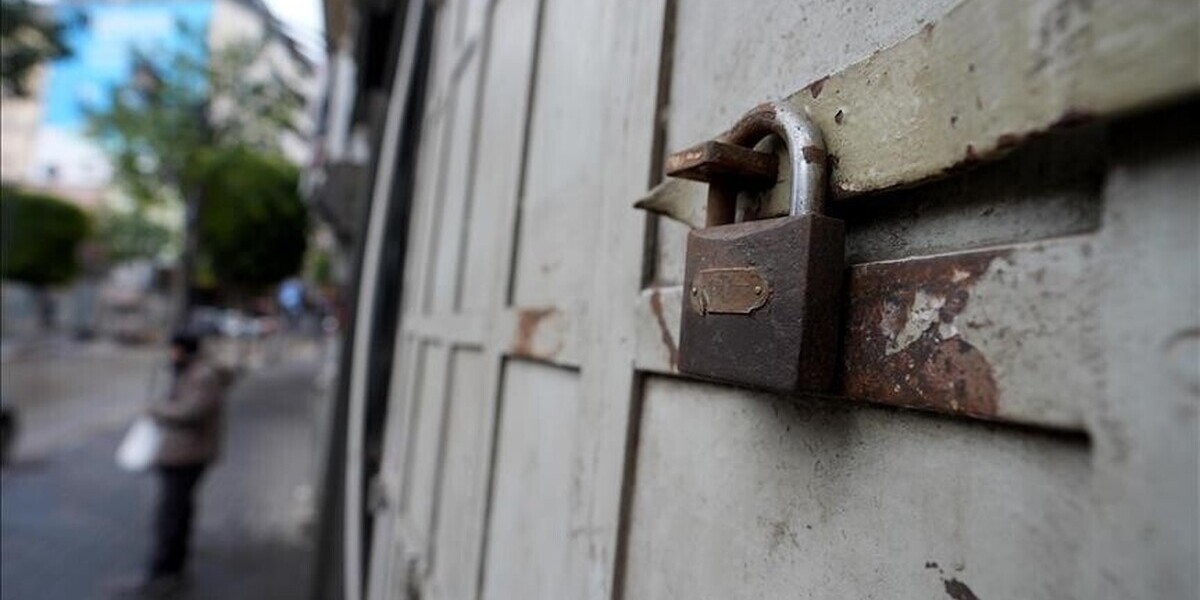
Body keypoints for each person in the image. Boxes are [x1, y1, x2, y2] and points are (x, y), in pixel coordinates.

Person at [111, 331, 234, 598]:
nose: (171, 355)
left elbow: (190, 411)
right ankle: (171, 569)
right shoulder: (193, 372)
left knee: (171, 517)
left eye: (174, 350)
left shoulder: (202, 376)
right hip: (185, 453)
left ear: (184, 350)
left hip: (187, 455)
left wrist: (157, 410)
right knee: (176, 513)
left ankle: (164, 573)